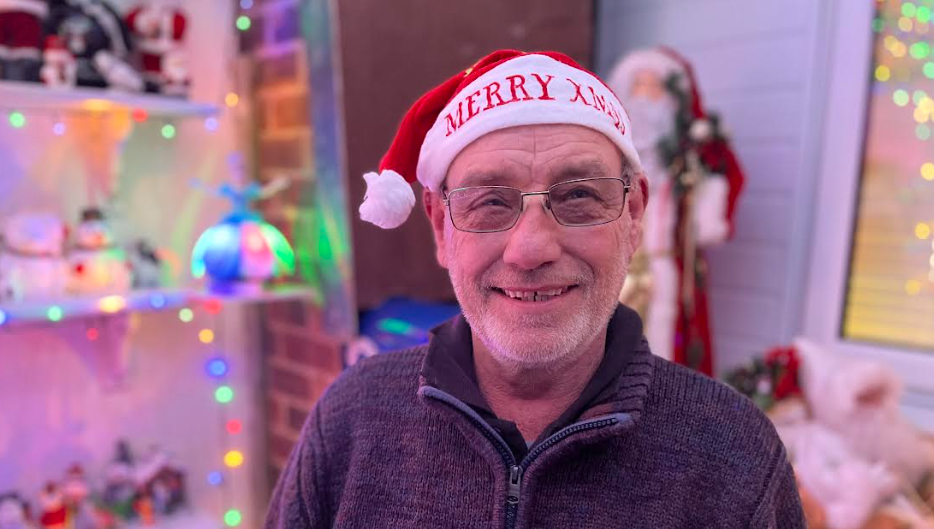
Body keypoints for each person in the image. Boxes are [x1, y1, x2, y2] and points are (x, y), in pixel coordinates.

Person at [265, 49, 805, 528]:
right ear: (439, 227)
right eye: (490, 202)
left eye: (577, 197)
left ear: (634, 215)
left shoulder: (734, 458)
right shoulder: (351, 421)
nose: (530, 249)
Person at [608, 47, 746, 376]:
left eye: (655, 89)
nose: (645, 99)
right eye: (638, 87)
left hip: (663, 265)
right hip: (612, 265)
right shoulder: (609, 157)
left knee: (664, 350)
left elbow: (710, 216)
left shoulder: (684, 161)